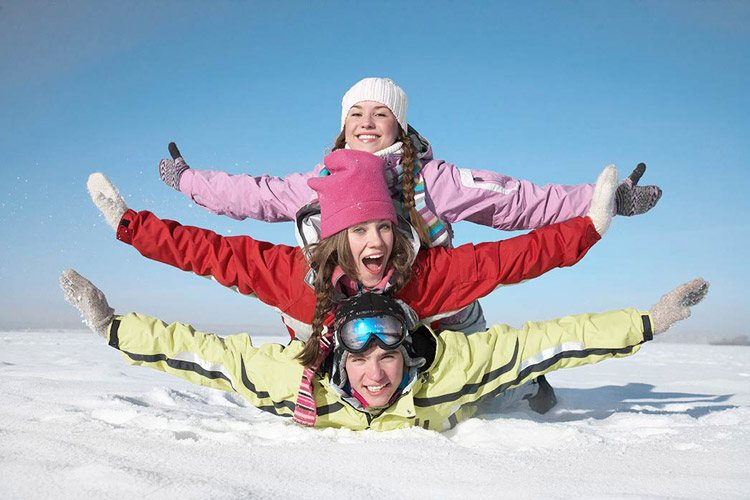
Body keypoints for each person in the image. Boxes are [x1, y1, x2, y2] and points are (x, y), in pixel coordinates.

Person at [157, 77, 663, 335]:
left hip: (435, 308)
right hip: (349, 313)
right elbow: (254, 194)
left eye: (381, 113)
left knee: (482, 371)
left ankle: (520, 389)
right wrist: (189, 181)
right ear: (343, 124)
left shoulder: (433, 179)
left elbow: (517, 201)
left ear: (400, 125)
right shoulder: (322, 183)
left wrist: (605, 202)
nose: (368, 121)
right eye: (356, 113)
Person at [59, 269, 709, 431]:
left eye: (388, 358)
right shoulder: (297, 378)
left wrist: (645, 323)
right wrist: (114, 326)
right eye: (361, 359)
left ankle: (519, 394)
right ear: (339, 358)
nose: (374, 375)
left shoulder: (450, 366)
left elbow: (552, 341)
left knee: (510, 379)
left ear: (409, 355)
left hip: (467, 394)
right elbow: (202, 354)